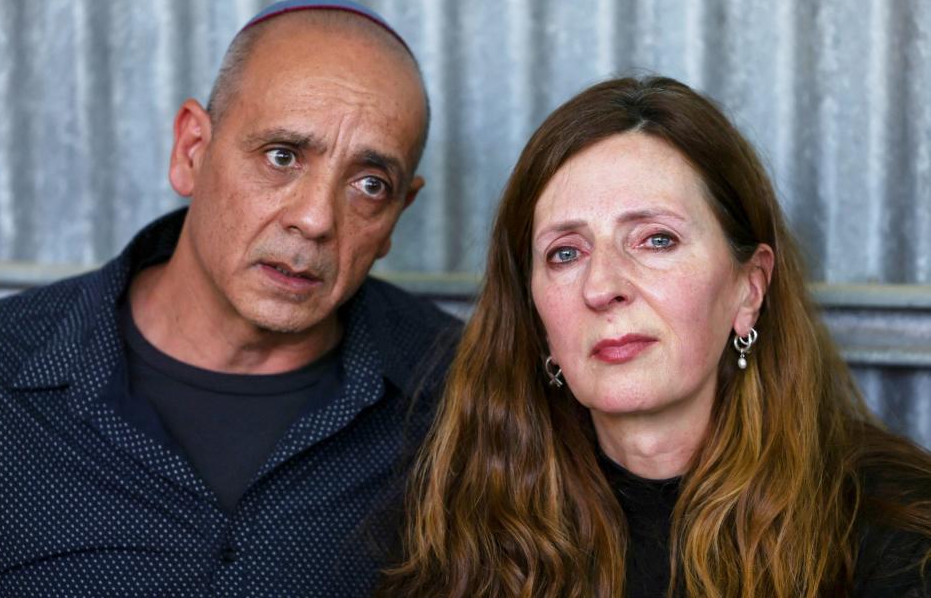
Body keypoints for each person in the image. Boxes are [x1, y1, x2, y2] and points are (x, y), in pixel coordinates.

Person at [0, 0, 459, 596]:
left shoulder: (463, 393)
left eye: (368, 185)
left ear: (396, 217)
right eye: (281, 157)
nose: (315, 220)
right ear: (192, 151)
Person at [380, 76, 931, 598]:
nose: (602, 287)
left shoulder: (898, 530)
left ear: (749, 289)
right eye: (565, 253)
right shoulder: (457, 522)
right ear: (536, 317)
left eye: (656, 240)